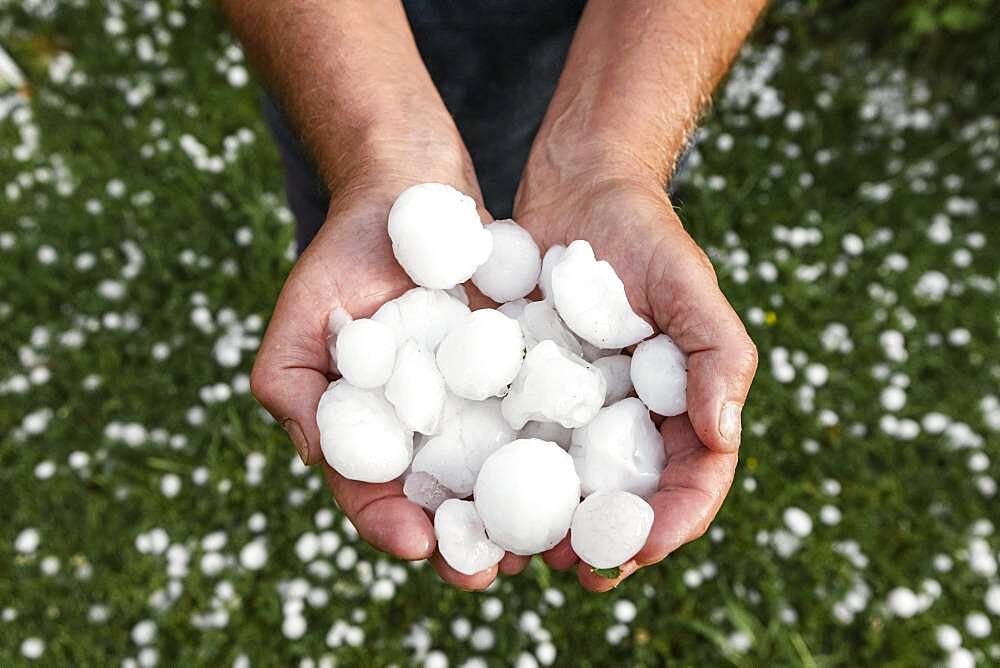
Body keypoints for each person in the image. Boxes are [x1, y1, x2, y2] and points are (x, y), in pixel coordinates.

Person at [222, 0, 762, 592]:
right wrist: (374, 153)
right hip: (337, 47)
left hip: (598, 47)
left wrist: (611, 160)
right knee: (338, 202)